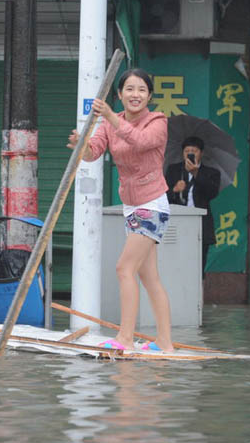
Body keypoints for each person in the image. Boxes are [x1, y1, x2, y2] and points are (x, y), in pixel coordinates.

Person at [67, 68, 174, 353]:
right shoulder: (109, 124)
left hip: (152, 205)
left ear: (149, 95)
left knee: (123, 268)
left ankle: (125, 339)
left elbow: (140, 142)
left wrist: (112, 118)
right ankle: (164, 342)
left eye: (141, 89)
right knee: (148, 277)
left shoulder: (158, 122)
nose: (135, 94)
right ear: (120, 94)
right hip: (132, 207)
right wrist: (81, 145)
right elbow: (94, 152)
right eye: (129, 89)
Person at [164, 136, 220, 274]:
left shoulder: (211, 172)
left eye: (194, 151)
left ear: (201, 153)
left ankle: (196, 292)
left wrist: (196, 173)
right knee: (176, 262)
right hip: (177, 223)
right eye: (187, 151)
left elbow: (212, 193)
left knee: (198, 264)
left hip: (200, 225)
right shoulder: (173, 170)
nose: (190, 153)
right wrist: (174, 191)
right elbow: (163, 197)